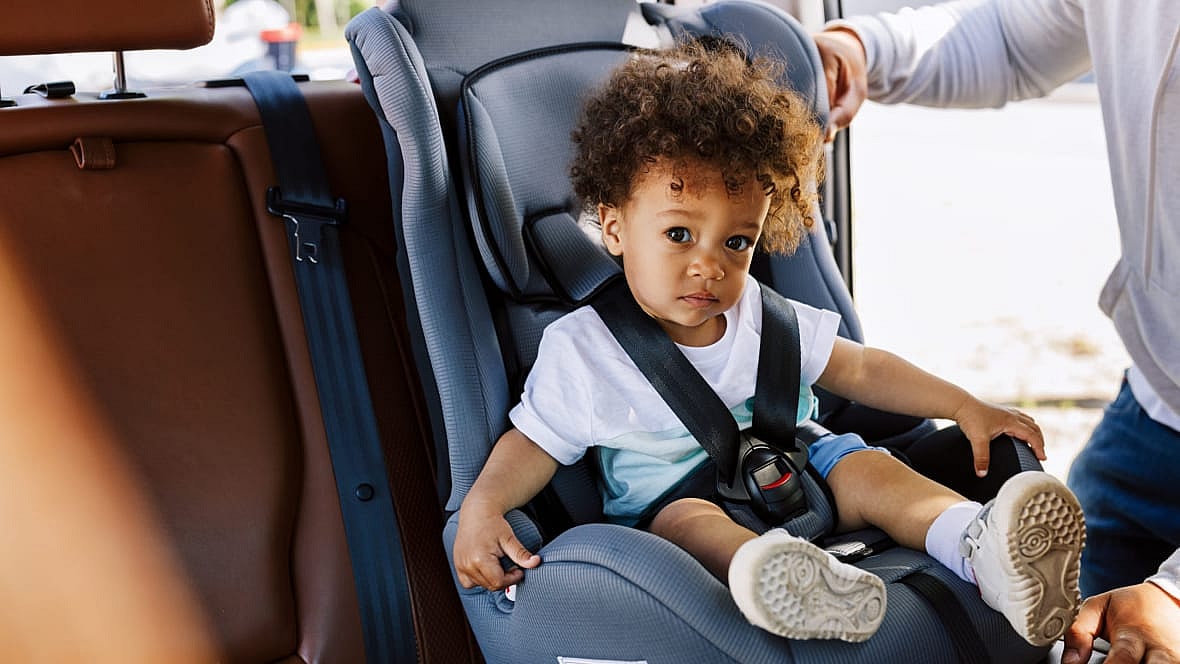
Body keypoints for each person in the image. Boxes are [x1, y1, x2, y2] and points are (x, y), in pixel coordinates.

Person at [452, 41, 1085, 646]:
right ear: (614, 226)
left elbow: (861, 370)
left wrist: (963, 406)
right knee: (687, 528)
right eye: (679, 235)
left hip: (803, 472)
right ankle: (786, 584)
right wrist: (483, 507)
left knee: (873, 469)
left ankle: (981, 547)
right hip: (677, 505)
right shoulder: (586, 349)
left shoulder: (759, 312)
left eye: (736, 243)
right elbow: (534, 443)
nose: (709, 266)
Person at [812, 1, 1180, 659]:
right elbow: (1013, 39)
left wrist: (1176, 594)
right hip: (1155, 403)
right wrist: (861, 47)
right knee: (1058, 629)